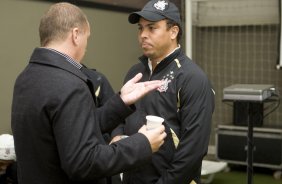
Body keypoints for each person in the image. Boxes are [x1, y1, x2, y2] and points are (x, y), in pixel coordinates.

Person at [11, 2, 167, 184]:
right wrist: (142, 143)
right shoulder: (70, 84)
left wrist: (120, 102)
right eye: (87, 37)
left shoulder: (27, 76)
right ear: (76, 35)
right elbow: (84, 163)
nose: (86, 46)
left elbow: (70, 129)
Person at [111, 0, 215, 183]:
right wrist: (117, 135)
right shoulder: (135, 73)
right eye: (140, 28)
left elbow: (193, 151)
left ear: (173, 32)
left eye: (152, 28)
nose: (143, 35)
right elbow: (119, 113)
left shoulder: (193, 79)